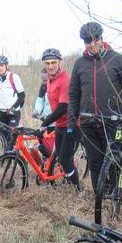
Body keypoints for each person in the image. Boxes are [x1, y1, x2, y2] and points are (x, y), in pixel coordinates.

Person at [67, 21, 122, 195]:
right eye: (88, 40)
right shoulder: (80, 64)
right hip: (88, 122)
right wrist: (72, 123)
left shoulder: (115, 58)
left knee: (113, 160)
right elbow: (73, 95)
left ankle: (116, 195)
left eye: (95, 39)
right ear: (84, 42)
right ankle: (100, 197)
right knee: (95, 162)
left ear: (101, 38)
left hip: (112, 120)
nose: (92, 43)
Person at [35, 48, 82, 190]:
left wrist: (45, 122)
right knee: (60, 157)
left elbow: (63, 107)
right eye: (47, 63)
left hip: (72, 124)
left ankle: (78, 188)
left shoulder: (65, 80)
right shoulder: (49, 80)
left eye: (53, 62)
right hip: (60, 124)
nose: (50, 66)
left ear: (60, 62)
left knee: (64, 159)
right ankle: (69, 180)